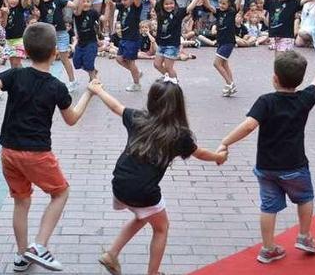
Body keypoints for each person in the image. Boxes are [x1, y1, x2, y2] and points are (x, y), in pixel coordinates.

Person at [0, 23, 93, 272]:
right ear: (55, 51)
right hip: (37, 154)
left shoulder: (15, 74)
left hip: (9, 152)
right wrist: (89, 93)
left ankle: (22, 255)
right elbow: (72, 118)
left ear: (24, 50)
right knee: (61, 193)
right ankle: (39, 246)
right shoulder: (56, 86)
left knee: (21, 202)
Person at [90, 80, 226, 275]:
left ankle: (111, 254)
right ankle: (153, 273)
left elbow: (115, 106)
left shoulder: (138, 118)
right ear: (178, 106)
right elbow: (201, 153)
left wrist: (98, 90)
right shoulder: (179, 135)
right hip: (143, 191)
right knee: (161, 227)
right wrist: (219, 157)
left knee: (144, 216)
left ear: (151, 100)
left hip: (119, 183)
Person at [218, 51, 315, 263]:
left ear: (274, 78)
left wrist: (225, 142)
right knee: (305, 198)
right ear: (300, 80)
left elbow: (248, 126)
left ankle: (268, 247)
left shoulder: (266, 101)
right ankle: (304, 236)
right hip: (295, 166)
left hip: (266, 168)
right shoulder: (305, 98)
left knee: (268, 206)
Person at [28, 0, 78, 91]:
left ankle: (72, 80)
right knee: (45, 58)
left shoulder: (58, 1)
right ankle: (44, 81)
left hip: (61, 33)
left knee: (64, 58)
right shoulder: (40, 2)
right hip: (47, 33)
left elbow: (73, 5)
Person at [115, 0, 151, 91]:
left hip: (132, 39)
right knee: (119, 58)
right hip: (124, 38)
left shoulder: (136, 7)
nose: (123, 2)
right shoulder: (122, 6)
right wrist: (107, 0)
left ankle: (137, 84)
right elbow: (112, 4)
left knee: (131, 62)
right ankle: (136, 72)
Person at [72, 0, 107, 82]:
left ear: (91, 2)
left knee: (89, 64)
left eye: (88, 1)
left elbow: (104, 18)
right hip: (80, 43)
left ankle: (95, 81)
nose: (85, 3)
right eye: (83, 1)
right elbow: (78, 9)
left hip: (91, 42)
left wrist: (108, 6)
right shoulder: (77, 13)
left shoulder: (93, 12)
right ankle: (93, 71)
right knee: (76, 63)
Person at [0, 0, 33, 68]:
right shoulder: (4, 10)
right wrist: (6, 14)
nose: (14, 0)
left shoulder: (20, 8)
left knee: (16, 63)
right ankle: (18, 78)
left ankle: (20, 79)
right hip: (9, 40)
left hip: (19, 39)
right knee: (13, 64)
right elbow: (4, 25)